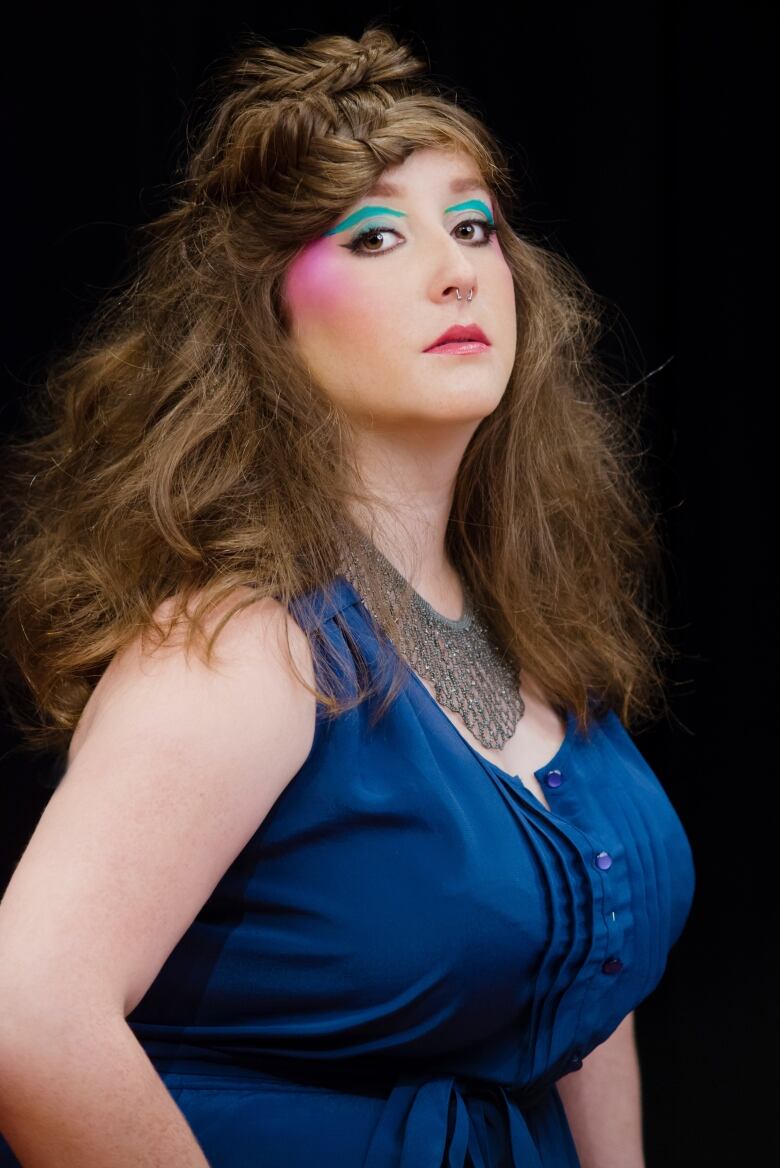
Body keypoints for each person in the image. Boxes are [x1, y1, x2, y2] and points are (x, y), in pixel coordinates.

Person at [0, 24, 695, 1168]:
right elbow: (40, 1017)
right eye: (374, 237)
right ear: (267, 318)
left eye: (472, 226)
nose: (456, 267)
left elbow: (588, 996)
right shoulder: (243, 646)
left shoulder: (522, 624)